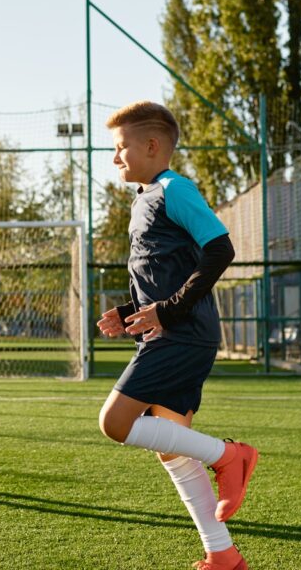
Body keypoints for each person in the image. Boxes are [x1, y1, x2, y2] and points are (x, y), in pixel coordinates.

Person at [94, 101, 253, 570]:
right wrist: (129, 311)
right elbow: (166, 269)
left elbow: (221, 249)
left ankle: (231, 456)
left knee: (114, 423)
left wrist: (166, 312)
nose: (116, 158)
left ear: (152, 145)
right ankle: (221, 553)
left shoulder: (174, 188)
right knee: (173, 451)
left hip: (182, 335)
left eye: (121, 148)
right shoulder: (144, 197)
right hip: (170, 332)